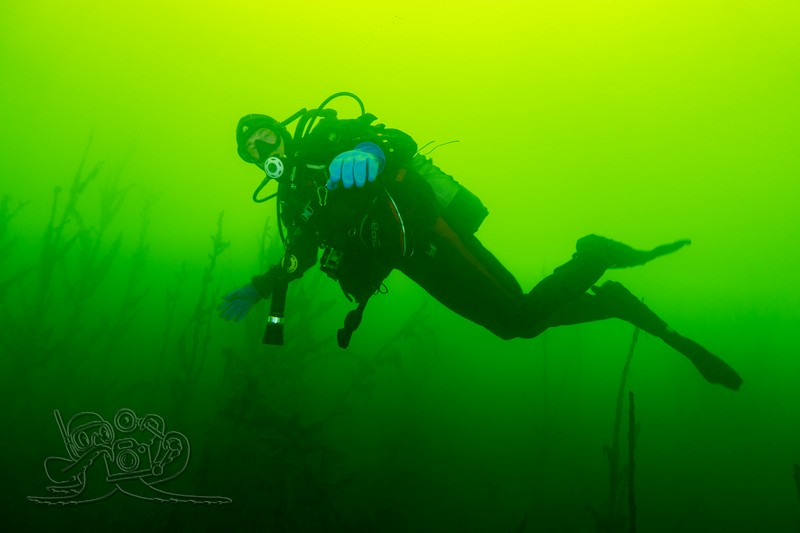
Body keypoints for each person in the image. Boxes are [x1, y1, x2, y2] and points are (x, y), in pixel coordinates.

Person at [218, 93, 742, 391]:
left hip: (434, 234)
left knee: (520, 317)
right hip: (413, 262)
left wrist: (370, 152)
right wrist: (260, 287)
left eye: (265, 136)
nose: (263, 149)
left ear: (281, 132)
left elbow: (396, 140)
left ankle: (593, 256)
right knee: (511, 324)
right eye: (251, 150)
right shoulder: (292, 201)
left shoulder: (323, 141)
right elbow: (301, 255)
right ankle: (612, 301)